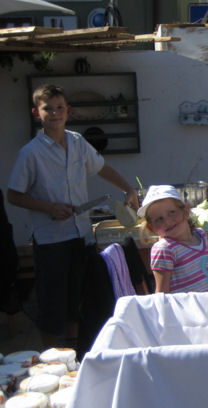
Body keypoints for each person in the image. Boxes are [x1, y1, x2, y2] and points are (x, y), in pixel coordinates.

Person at [7, 84, 140, 348]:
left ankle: (73, 353)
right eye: (48, 109)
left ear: (68, 111)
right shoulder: (30, 153)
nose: (54, 113)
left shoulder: (78, 142)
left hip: (81, 235)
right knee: (52, 304)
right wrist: (50, 207)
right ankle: (51, 358)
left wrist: (128, 188)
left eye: (59, 108)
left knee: (76, 300)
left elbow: (101, 168)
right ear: (37, 113)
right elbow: (14, 195)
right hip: (50, 240)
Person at [137, 185, 208, 294]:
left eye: (172, 212)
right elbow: (161, 293)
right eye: (159, 219)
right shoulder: (164, 250)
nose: (167, 222)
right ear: (152, 227)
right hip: (192, 310)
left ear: (186, 211)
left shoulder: (201, 235)